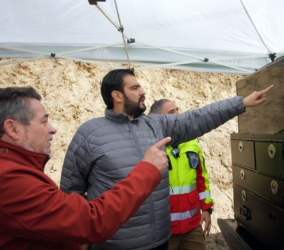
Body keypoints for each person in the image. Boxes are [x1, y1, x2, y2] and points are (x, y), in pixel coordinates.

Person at [60, 69, 273, 250]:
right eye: (134, 88)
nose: (142, 91)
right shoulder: (89, 133)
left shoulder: (156, 125)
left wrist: (241, 103)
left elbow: (196, 119)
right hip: (113, 245)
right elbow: (71, 191)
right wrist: (79, 238)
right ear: (117, 95)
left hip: (159, 242)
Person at [0, 86, 171, 250]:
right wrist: (147, 170)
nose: (52, 129)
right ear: (13, 129)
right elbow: (92, 220)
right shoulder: (10, 179)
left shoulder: (15, 169)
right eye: (44, 121)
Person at [150, 99, 213, 250]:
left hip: (192, 226)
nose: (179, 114)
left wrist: (206, 208)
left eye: (178, 109)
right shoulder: (152, 147)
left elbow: (201, 178)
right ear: (159, 119)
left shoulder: (192, 143)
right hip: (163, 231)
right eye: (172, 112)